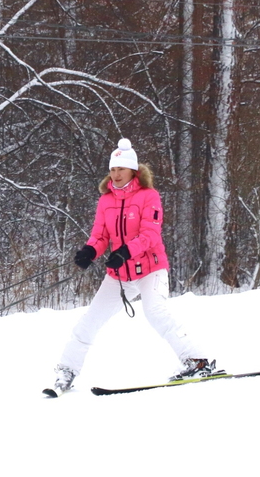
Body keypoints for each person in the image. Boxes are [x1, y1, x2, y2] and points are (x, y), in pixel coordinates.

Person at [53, 138, 214, 394]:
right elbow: (101, 235)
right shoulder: (106, 200)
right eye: (112, 169)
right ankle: (67, 371)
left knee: (155, 312)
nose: (115, 174)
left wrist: (126, 251)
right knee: (90, 321)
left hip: (150, 268)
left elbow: (150, 235)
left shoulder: (149, 196)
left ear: (133, 171)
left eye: (121, 169)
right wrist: (89, 251)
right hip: (119, 274)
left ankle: (198, 361)